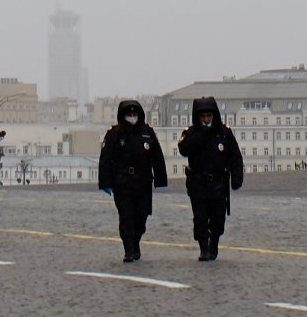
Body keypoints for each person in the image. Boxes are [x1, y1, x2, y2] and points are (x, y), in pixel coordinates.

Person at [96, 98, 167, 262]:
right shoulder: (114, 134)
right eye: (129, 114)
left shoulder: (147, 132)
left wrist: (161, 178)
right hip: (123, 182)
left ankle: (136, 242)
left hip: (143, 182)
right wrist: (105, 182)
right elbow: (105, 159)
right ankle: (129, 249)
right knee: (126, 216)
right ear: (123, 115)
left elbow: (157, 156)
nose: (132, 116)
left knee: (141, 217)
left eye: (135, 113)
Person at [176, 96, 243, 261]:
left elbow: (235, 156)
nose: (206, 119)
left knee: (217, 219)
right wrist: (201, 135)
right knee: (200, 218)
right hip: (198, 183)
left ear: (214, 115)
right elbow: (183, 149)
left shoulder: (224, 133)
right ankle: (203, 248)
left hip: (218, 183)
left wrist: (237, 178)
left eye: (209, 116)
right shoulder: (190, 132)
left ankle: (214, 244)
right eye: (203, 116)